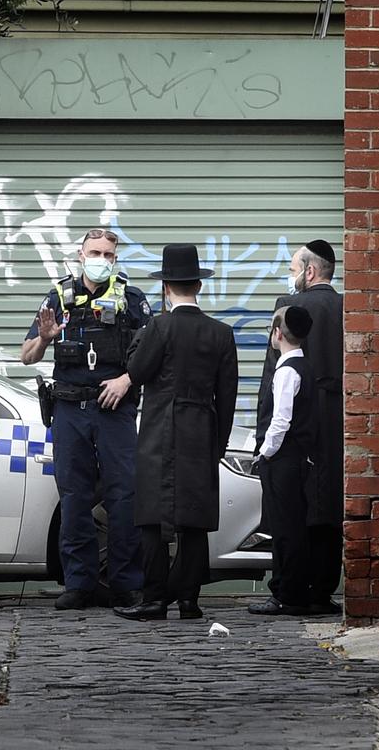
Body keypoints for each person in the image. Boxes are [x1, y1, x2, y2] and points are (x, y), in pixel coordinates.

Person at [22, 228, 152, 610]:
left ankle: (127, 583)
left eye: (109, 254)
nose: (101, 260)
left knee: (123, 495)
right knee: (74, 497)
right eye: (95, 252)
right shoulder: (59, 297)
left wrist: (127, 379)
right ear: (80, 255)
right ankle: (79, 583)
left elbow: (153, 353)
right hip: (69, 410)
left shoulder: (131, 299)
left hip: (115, 410)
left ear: (115, 259)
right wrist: (45, 338)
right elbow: (26, 356)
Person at [113, 244, 238, 622]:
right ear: (198, 285)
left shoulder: (159, 327)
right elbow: (227, 396)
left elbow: (137, 369)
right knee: (195, 520)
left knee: (152, 517)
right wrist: (218, 442)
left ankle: (154, 599)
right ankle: (188, 600)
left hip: (160, 430)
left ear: (166, 287)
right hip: (201, 429)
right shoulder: (221, 333)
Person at [255, 239, 344, 615]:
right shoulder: (345, 307)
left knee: (289, 512)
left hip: (293, 430)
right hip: (335, 423)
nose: (291, 277)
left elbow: (269, 380)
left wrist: (264, 437)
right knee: (327, 506)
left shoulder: (288, 309)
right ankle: (321, 589)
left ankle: (287, 588)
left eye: (293, 269)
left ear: (310, 271)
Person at [249, 306, 317, 615]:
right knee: (293, 526)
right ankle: (295, 591)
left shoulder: (286, 370)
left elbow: (280, 422)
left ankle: (286, 594)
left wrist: (265, 453)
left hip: (283, 460)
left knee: (284, 528)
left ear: (278, 334)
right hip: (298, 458)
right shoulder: (305, 365)